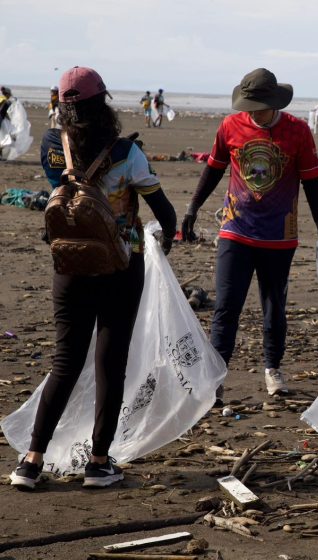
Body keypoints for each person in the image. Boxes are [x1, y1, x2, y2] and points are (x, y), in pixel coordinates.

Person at [9, 66, 177, 490]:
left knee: (64, 363)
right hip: (120, 267)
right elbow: (164, 212)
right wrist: (167, 238)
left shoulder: (53, 146)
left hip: (68, 267)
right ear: (102, 104)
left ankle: (30, 462)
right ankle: (98, 462)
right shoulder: (126, 152)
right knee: (110, 364)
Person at [180, 68, 318, 402]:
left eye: (258, 106)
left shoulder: (298, 131)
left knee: (273, 305)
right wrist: (192, 208)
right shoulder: (230, 127)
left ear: (274, 103)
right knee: (226, 307)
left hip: (280, 236)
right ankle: (216, 379)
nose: (252, 112)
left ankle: (273, 369)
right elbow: (214, 168)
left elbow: (312, 181)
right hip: (236, 229)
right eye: (248, 106)